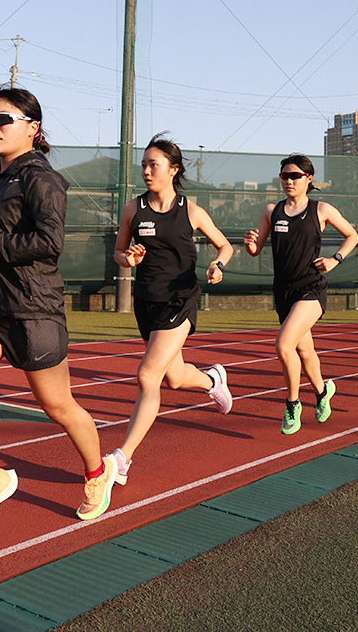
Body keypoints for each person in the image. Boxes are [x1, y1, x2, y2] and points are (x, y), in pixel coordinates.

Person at [0, 84, 115, 535]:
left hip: (33, 310)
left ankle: (98, 472)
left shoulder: (42, 179)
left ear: (32, 128)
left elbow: (48, 244)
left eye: (3, 120)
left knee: (58, 405)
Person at [108, 133, 235, 484]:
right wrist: (128, 259)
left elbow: (224, 246)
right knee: (175, 378)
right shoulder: (133, 209)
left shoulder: (191, 211)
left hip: (180, 300)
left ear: (173, 169)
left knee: (148, 375)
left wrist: (218, 266)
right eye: (144, 165)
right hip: (146, 301)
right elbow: (119, 252)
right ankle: (212, 379)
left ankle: (122, 458)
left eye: (154, 165)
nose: (146, 171)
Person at [243, 154, 358, 434]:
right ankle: (322, 391)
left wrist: (335, 259)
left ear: (308, 178)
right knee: (304, 350)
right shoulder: (272, 211)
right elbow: (256, 250)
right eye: (284, 176)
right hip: (283, 291)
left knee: (284, 345)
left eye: (294, 176)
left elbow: (352, 235)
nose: (289, 181)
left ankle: (293, 403)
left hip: (311, 288)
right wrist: (250, 244)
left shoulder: (321, 210)